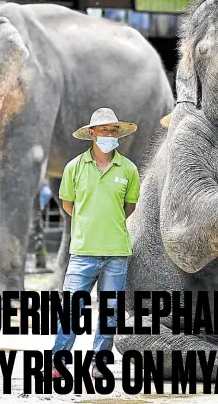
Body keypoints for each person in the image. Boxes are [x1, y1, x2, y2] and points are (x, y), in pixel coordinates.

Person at [51, 108, 141, 380]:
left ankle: (100, 365)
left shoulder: (129, 169)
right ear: (92, 133)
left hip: (117, 254)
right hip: (82, 253)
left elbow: (129, 207)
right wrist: (89, 224)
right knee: (70, 311)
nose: (109, 135)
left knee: (110, 315)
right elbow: (68, 205)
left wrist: (107, 223)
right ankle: (58, 362)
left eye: (114, 131)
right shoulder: (74, 168)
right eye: (104, 130)